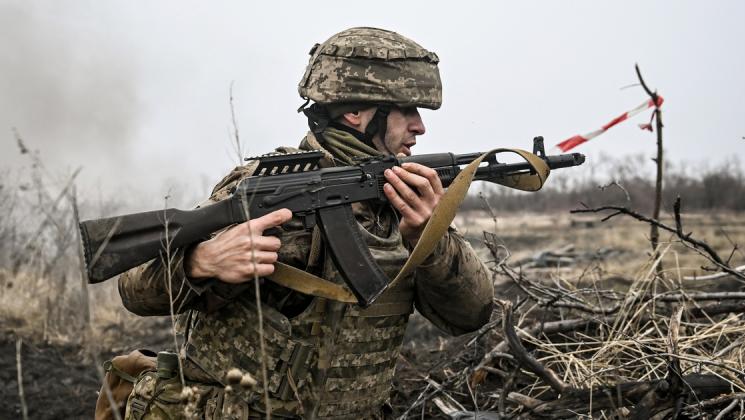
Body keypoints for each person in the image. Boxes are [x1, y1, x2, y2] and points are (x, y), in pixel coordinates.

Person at [117, 27, 493, 419]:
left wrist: (430, 239)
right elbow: (134, 287)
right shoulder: (264, 186)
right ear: (356, 112)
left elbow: (471, 315)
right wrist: (201, 262)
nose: (420, 127)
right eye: (407, 110)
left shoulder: (403, 202)